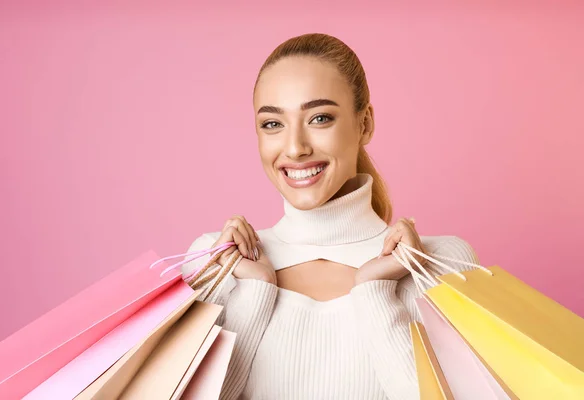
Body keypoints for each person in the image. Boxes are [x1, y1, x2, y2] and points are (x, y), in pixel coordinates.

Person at [183, 33, 479, 400]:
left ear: (365, 123)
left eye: (319, 118)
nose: (295, 147)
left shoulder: (437, 265)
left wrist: (375, 289)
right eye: (273, 124)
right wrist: (254, 291)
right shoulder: (215, 264)